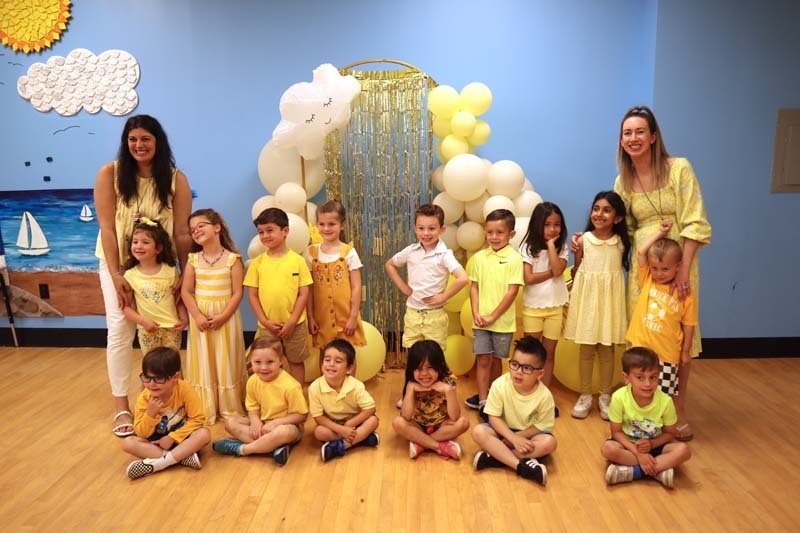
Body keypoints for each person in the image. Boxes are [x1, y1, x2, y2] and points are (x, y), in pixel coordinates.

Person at [613, 105, 711, 441]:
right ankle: (640, 408)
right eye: (627, 133)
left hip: (679, 261)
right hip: (644, 267)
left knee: (677, 335)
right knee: (646, 333)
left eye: (640, 131)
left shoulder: (679, 168)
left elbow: (695, 220)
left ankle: (677, 409)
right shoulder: (623, 180)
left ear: (653, 136)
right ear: (621, 140)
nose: (634, 138)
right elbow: (622, 227)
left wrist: (684, 270)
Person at [94, 114, 192, 438]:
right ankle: (122, 405)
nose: (139, 145)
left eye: (146, 139)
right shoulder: (109, 174)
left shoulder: (176, 179)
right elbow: (107, 228)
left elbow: (181, 232)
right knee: (119, 330)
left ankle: (167, 400)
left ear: (158, 142)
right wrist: (115, 274)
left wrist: (185, 274)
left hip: (160, 269)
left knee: (166, 330)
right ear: (126, 143)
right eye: (133, 139)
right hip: (117, 265)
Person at [386, 203, 467, 408]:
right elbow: (390, 264)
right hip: (413, 313)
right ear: (415, 228)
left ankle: (437, 397)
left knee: (435, 360)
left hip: (434, 316)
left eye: (432, 228)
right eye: (421, 228)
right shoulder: (411, 251)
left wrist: (443, 296)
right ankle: (408, 395)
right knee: (413, 359)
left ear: (442, 229)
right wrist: (403, 286)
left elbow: (462, 278)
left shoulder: (444, 254)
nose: (426, 233)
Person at [563, 192, 630, 420]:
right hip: (588, 301)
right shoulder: (583, 241)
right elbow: (578, 270)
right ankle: (585, 395)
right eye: (596, 208)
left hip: (609, 302)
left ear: (617, 218)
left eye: (607, 210)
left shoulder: (621, 243)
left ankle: (604, 396)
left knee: (607, 350)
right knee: (586, 349)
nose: (599, 214)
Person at [626, 219, 697, 425]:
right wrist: (660, 233)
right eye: (655, 268)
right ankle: (635, 424)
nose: (658, 273)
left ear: (678, 267)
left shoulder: (684, 294)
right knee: (637, 390)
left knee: (661, 396)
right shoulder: (648, 279)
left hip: (666, 355)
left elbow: (689, 324)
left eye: (665, 269)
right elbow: (642, 252)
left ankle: (660, 427)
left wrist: (685, 351)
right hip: (640, 348)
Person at [181, 208, 246, 424]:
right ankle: (206, 407)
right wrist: (197, 316)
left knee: (225, 358)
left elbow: (237, 293)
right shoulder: (193, 260)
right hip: (200, 319)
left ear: (217, 227)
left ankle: (229, 407)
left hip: (225, 319)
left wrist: (224, 316)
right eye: (192, 229)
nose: (196, 231)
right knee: (204, 360)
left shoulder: (232, 259)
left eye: (201, 225)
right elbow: (186, 292)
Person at [601, 347, 691, 488]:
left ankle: (634, 472)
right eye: (640, 378)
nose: (648, 384)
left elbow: (670, 433)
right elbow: (616, 432)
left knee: (684, 450)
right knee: (608, 449)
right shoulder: (619, 397)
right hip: (628, 446)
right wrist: (638, 453)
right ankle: (658, 470)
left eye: (653, 377)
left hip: (655, 446)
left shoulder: (666, 401)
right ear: (626, 377)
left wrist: (652, 444)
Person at [472, 336, 556, 486]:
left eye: (527, 368)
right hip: (502, 431)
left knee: (549, 443)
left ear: (540, 374)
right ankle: (520, 466)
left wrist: (518, 438)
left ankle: (496, 457)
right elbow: (493, 418)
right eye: (515, 364)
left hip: (528, 435)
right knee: (479, 432)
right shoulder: (499, 384)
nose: (518, 372)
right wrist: (511, 437)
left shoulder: (545, 396)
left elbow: (540, 426)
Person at [212, 337, 308, 466]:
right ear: (250, 361)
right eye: (257, 362)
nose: (263, 367)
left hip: (286, 425)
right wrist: (255, 421)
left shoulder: (291, 386)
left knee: (284, 432)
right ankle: (272, 447)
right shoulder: (252, 381)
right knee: (230, 423)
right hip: (263, 423)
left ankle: (243, 449)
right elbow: (253, 408)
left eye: (270, 362)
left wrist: (275, 423)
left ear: (281, 361)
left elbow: (301, 415)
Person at [465, 209, 524, 418]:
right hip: (481, 321)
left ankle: (494, 398)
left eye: (500, 232)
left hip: (502, 323)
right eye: (490, 232)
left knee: (497, 361)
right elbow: (474, 287)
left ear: (511, 234)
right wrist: (476, 312)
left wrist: (493, 316)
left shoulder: (514, 259)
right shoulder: (480, 257)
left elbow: (512, 292)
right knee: (482, 359)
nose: (494, 237)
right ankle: (483, 401)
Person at [244, 208, 312, 384]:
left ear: (285, 231)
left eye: (270, 230)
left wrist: (292, 321)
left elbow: (303, 294)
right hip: (268, 326)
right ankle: (272, 394)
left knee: (296, 362)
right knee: (268, 362)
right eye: (261, 232)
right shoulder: (257, 263)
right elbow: (252, 295)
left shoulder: (298, 261)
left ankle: (297, 395)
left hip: (295, 324)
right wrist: (265, 321)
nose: (265, 236)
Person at [122, 347, 210, 480]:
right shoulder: (144, 398)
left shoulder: (184, 389)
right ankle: (182, 457)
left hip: (182, 439)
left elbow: (198, 419)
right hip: (156, 443)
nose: (151, 384)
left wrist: (172, 438)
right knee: (128, 443)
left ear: (175, 377)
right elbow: (141, 433)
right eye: (147, 377)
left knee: (204, 434)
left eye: (159, 378)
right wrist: (150, 414)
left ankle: (161, 463)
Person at [519, 202, 568, 415]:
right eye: (547, 224)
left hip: (554, 307)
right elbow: (528, 278)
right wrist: (551, 273)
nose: (552, 229)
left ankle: (544, 398)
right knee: (531, 355)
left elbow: (558, 268)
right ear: (538, 224)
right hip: (533, 307)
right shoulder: (527, 247)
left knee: (549, 354)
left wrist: (551, 246)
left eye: (557, 224)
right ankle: (527, 395)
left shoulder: (561, 247)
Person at [392, 340, 469, 460]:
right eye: (419, 369)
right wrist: (410, 389)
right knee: (398, 423)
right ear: (412, 370)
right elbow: (406, 416)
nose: (424, 373)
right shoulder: (412, 383)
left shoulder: (448, 381)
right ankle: (439, 446)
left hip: (441, 426)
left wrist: (448, 391)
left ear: (439, 366)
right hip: (418, 425)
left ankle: (421, 444)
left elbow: (455, 417)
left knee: (463, 422)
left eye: (430, 367)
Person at [306, 199, 367, 351]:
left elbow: (356, 287)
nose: (326, 228)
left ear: (342, 225)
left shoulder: (349, 253)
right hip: (322, 318)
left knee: (346, 353)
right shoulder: (311, 253)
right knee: (325, 352)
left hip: (345, 316)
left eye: (331, 224)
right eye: (322, 224)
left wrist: (353, 317)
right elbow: (309, 289)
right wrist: (310, 316)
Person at [122, 218, 188, 355]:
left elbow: (178, 299)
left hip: (172, 329)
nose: (138, 246)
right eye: (135, 242)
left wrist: (184, 317)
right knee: (151, 365)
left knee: (171, 364)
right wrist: (142, 321)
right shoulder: (130, 275)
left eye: (145, 242)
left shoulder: (171, 271)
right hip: (147, 331)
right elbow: (125, 307)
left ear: (158, 248)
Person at [308, 339, 380, 462]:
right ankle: (362, 439)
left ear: (349, 369)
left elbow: (370, 409)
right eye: (327, 360)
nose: (331, 364)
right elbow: (318, 417)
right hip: (333, 424)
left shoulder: (356, 385)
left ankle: (341, 446)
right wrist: (341, 429)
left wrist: (349, 425)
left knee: (373, 421)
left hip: (354, 422)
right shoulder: (315, 387)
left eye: (338, 361)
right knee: (319, 432)